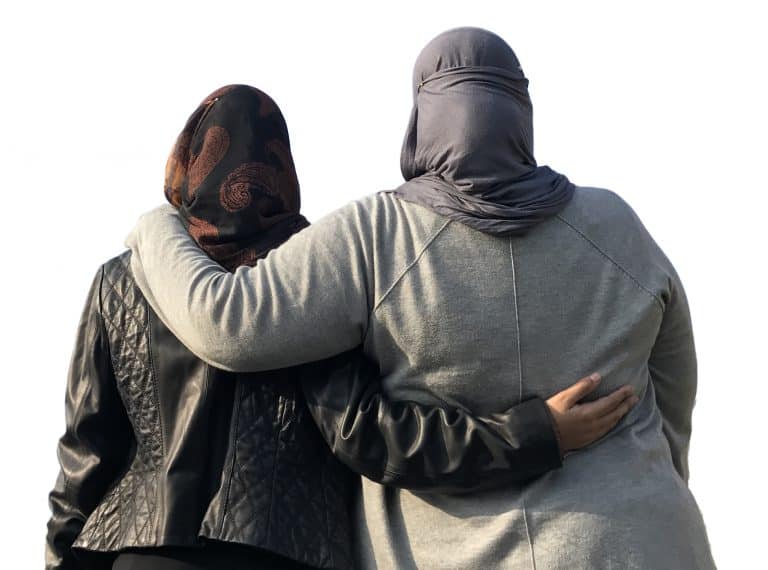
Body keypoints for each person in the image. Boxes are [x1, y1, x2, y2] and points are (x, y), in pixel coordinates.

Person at [124, 29, 716, 568]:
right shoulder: (616, 226)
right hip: (645, 542)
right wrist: (655, 480)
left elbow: (228, 323)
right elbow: (672, 393)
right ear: (521, 111)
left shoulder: (378, 236)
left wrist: (158, 225)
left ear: (421, 116)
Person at [47, 84, 636, 570]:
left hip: (131, 554)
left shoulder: (122, 280)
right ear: (280, 170)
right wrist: (535, 434)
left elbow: (84, 457)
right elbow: (369, 434)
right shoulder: (301, 275)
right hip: (279, 555)